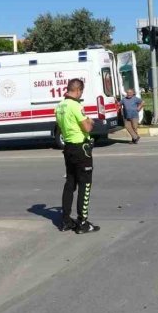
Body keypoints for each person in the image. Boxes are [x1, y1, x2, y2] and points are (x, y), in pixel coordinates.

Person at [56, 79, 100, 234]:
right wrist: (91, 121)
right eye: (81, 91)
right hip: (81, 148)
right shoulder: (75, 105)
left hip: (68, 147)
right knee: (85, 184)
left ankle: (66, 220)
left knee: (70, 183)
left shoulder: (59, 106)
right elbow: (87, 126)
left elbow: (61, 127)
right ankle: (83, 222)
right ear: (78, 90)